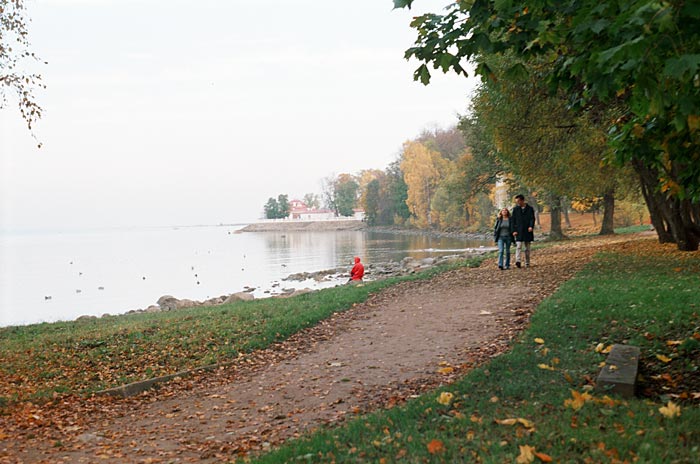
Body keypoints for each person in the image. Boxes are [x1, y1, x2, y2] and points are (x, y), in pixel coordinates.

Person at [511, 194, 536, 268]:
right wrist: (514, 230)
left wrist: (531, 226)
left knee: (527, 248)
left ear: (522, 200)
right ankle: (518, 261)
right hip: (519, 231)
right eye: (516, 201)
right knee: (518, 246)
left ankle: (527, 262)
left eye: (518, 201)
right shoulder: (515, 209)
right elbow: (513, 221)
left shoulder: (530, 208)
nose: (517, 203)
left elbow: (532, 218)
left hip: (527, 230)